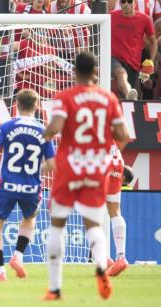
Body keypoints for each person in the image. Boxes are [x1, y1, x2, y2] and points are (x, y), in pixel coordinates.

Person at [42, 51, 129, 301]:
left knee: (58, 225)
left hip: (69, 166)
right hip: (96, 167)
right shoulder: (109, 99)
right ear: (95, 72)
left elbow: (56, 127)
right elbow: (122, 135)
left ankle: (55, 288)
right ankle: (102, 270)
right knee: (94, 224)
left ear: (74, 72)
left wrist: (44, 137)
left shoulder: (64, 97)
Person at [0, 89, 56, 281]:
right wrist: (37, 170)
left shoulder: (7, 126)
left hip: (8, 185)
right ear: (37, 106)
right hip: (32, 187)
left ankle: (0, 272)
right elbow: (53, 164)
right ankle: (18, 256)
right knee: (30, 219)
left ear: (16, 105)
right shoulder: (44, 131)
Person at [111, 0, 157, 100]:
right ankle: (129, 96)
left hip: (133, 64)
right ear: (120, 3)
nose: (126, 4)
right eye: (123, 1)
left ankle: (129, 99)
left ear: (135, 3)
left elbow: (153, 42)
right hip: (113, 58)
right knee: (120, 72)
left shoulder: (144, 19)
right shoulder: (110, 16)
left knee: (124, 94)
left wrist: (151, 60)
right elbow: (94, 28)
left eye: (130, 1)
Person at [105, 144, 130, 276]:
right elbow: (124, 137)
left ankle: (103, 257)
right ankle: (120, 258)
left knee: (89, 209)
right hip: (116, 160)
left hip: (100, 160)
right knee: (115, 211)